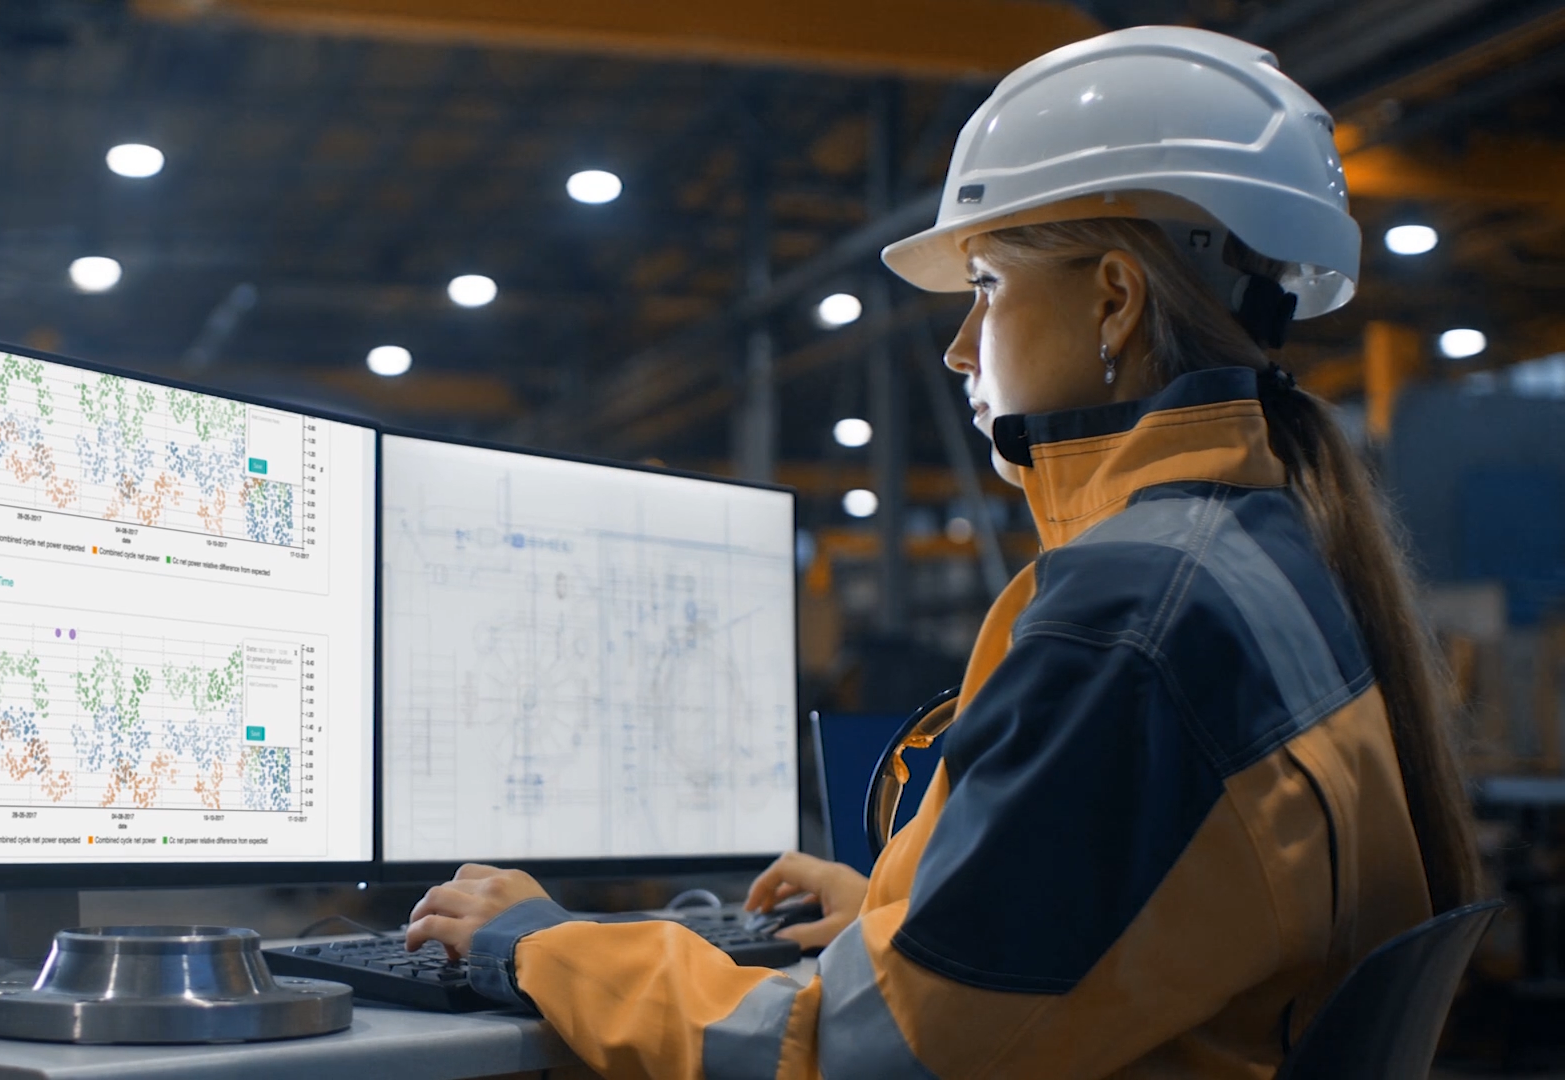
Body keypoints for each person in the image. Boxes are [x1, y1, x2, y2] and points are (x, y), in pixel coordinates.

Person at [406, 25, 1482, 1078]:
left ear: (1113, 297)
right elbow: (1164, 911)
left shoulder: (1132, 617)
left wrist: (538, 942)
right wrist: (894, 916)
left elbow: (849, 1057)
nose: (961, 346)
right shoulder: (1263, 554)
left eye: (985, 286)